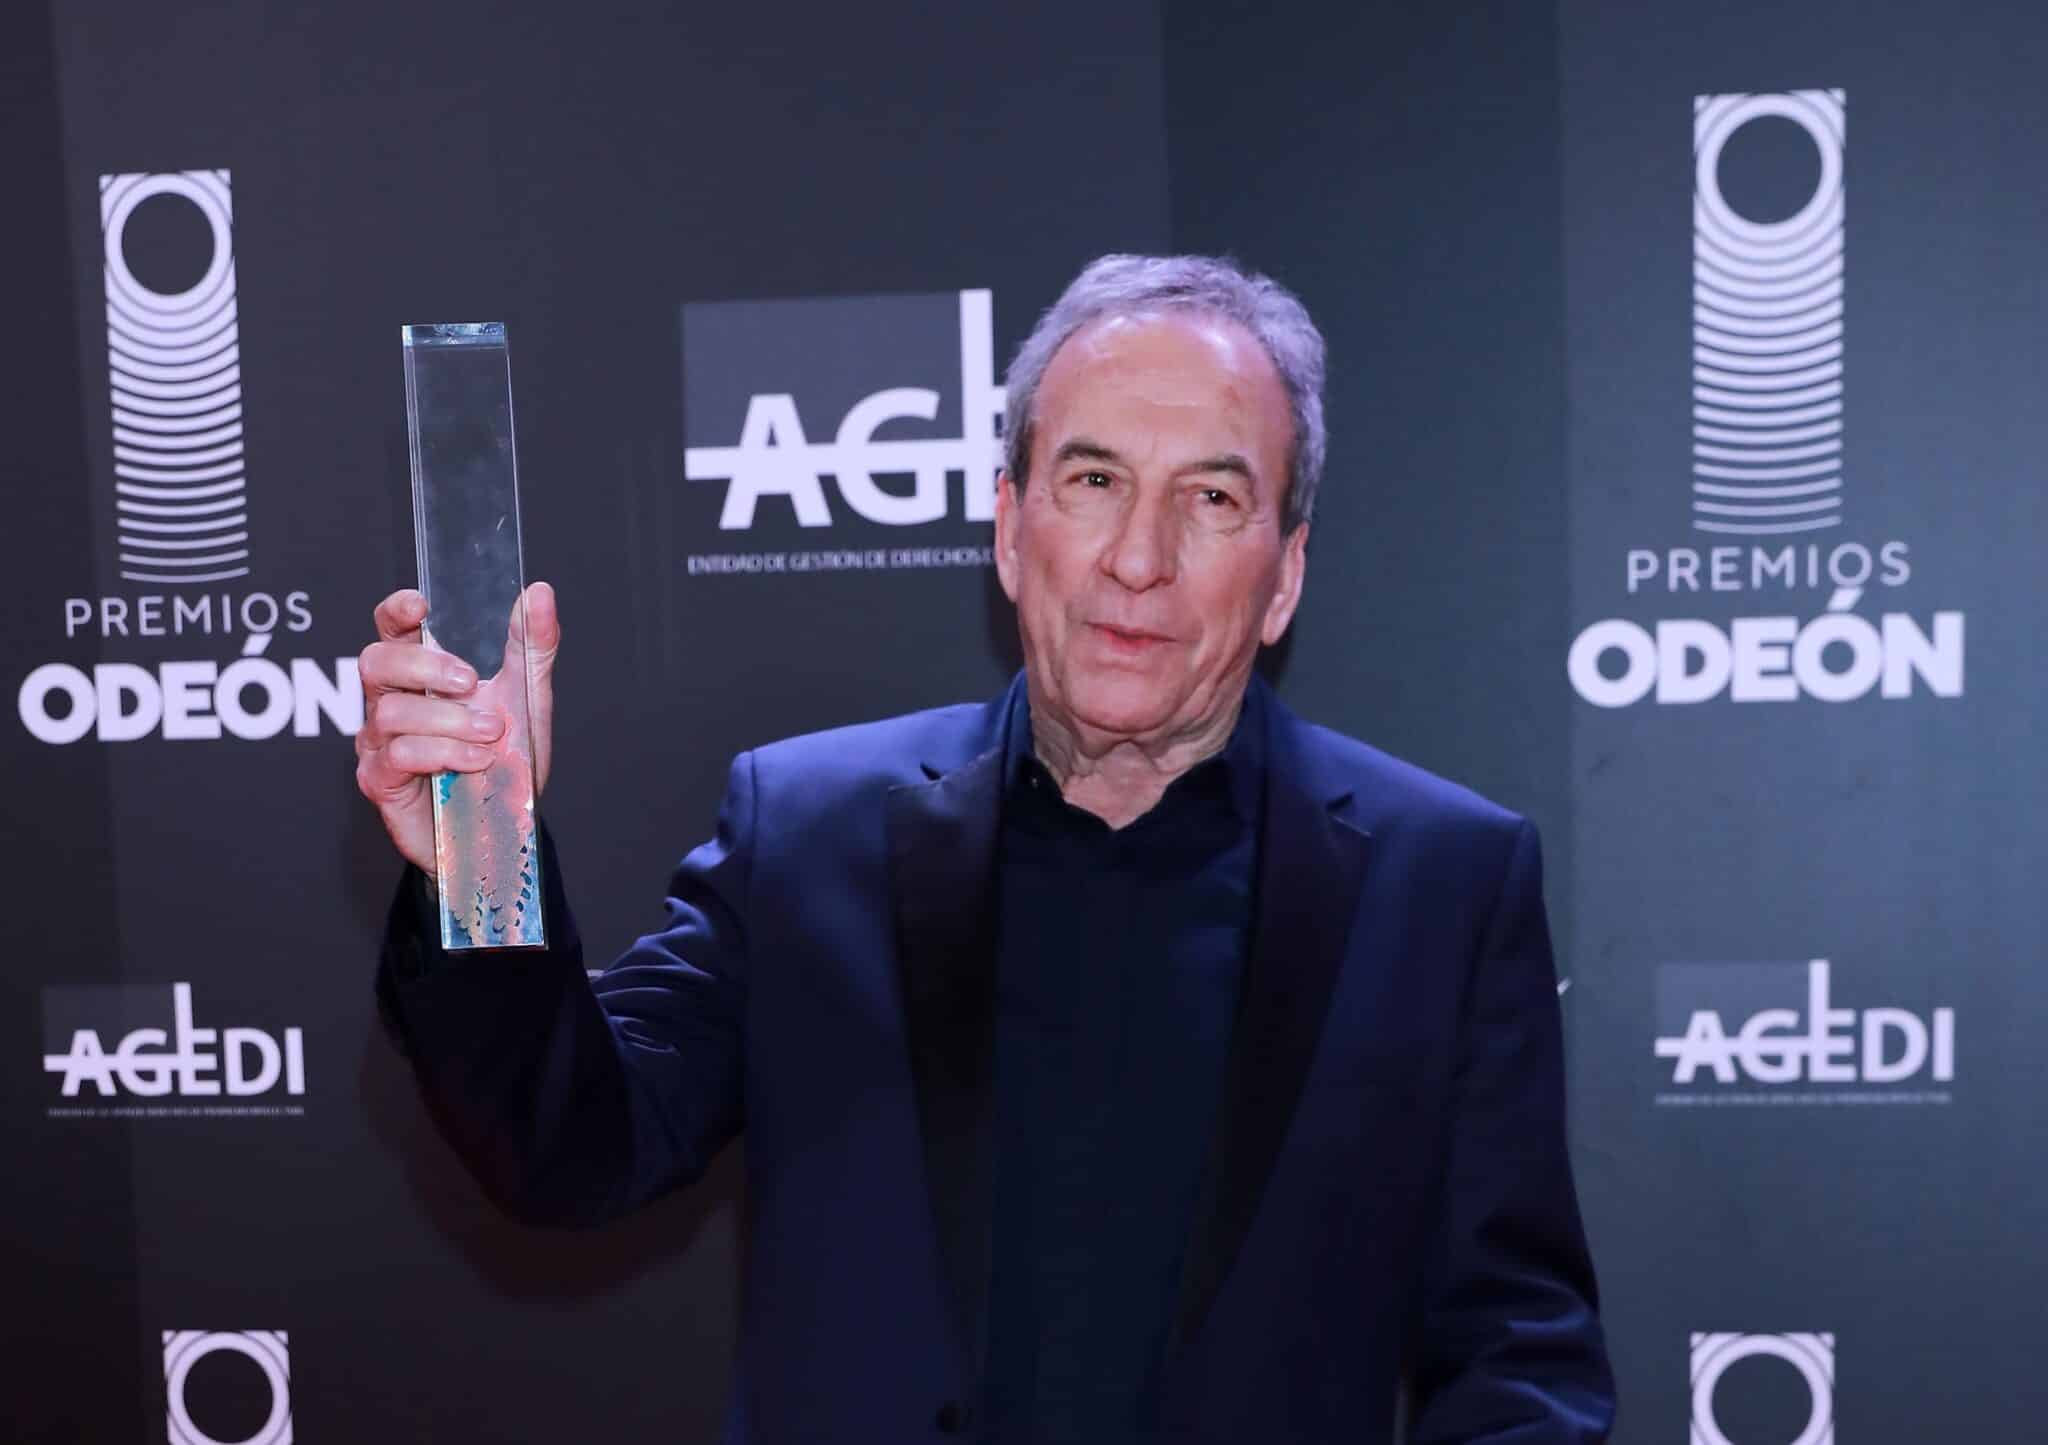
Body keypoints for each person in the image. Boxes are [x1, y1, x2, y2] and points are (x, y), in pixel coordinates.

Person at [357, 254, 1615, 1443]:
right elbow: (570, 1150)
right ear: (1010, 528)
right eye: (1092, 479)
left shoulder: (1442, 881)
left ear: (1283, 574)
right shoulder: (807, 829)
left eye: (1212, 497)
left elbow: (1515, 1355)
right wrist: (485, 841)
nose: (1138, 557)